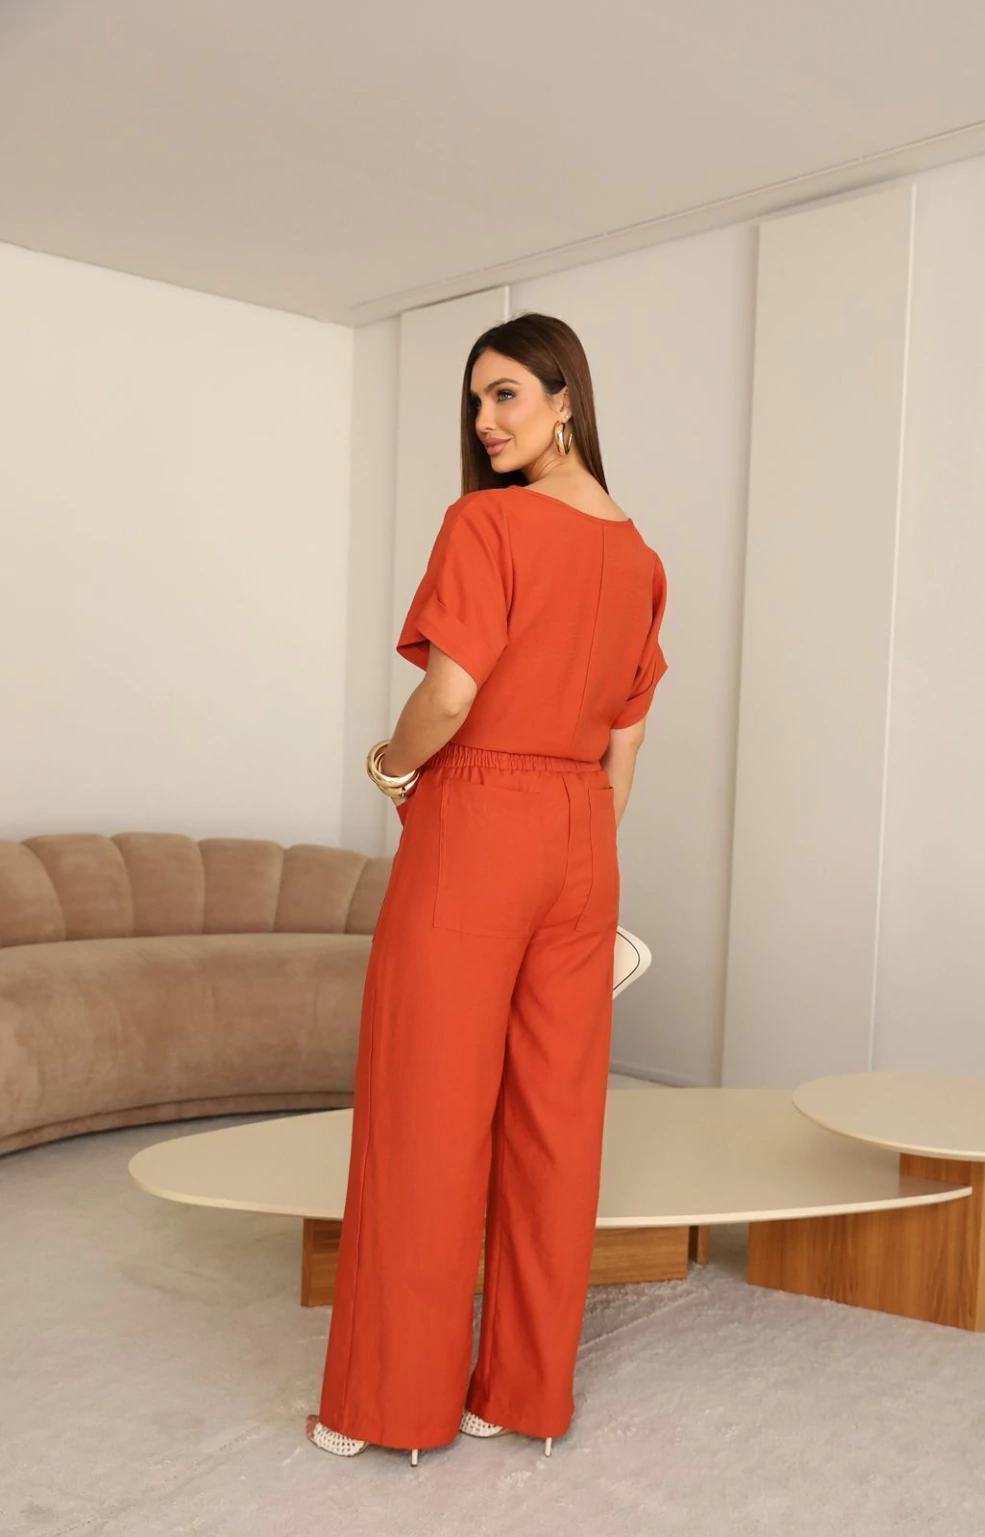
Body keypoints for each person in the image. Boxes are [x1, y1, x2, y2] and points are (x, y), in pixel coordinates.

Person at [305, 311, 669, 1467]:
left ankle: (389, 1405)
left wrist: (389, 765)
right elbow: (624, 747)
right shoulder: (640, 557)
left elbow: (452, 695)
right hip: (581, 835)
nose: (484, 420)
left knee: (423, 1109)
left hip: (477, 821)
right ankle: (522, 1393)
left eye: (505, 393)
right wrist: (575, 851)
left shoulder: (488, 523)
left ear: (566, 399)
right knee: (555, 1123)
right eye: (474, 400)